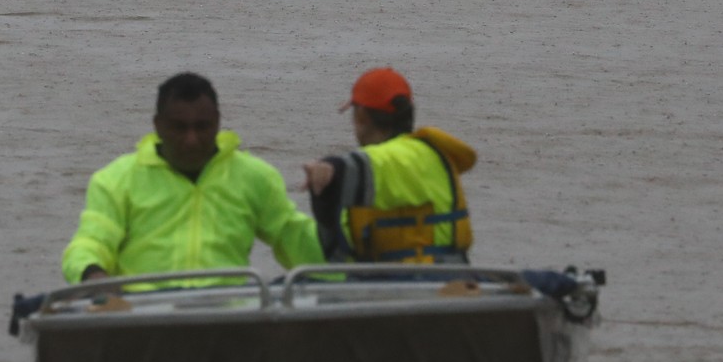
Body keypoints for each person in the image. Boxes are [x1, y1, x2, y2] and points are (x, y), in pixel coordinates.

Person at [61, 72, 323, 284]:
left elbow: (298, 242)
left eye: (202, 127)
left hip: (229, 321)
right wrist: (92, 274)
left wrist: (332, 198)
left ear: (218, 122)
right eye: (179, 128)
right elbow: (90, 242)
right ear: (158, 125)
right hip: (142, 321)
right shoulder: (115, 180)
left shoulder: (255, 177)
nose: (191, 140)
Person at [302, 67, 475, 265]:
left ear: (361, 117)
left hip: (423, 282)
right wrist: (324, 205)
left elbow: (374, 167)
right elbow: (338, 256)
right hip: (395, 281)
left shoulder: (413, 156)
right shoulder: (429, 154)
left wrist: (331, 169)